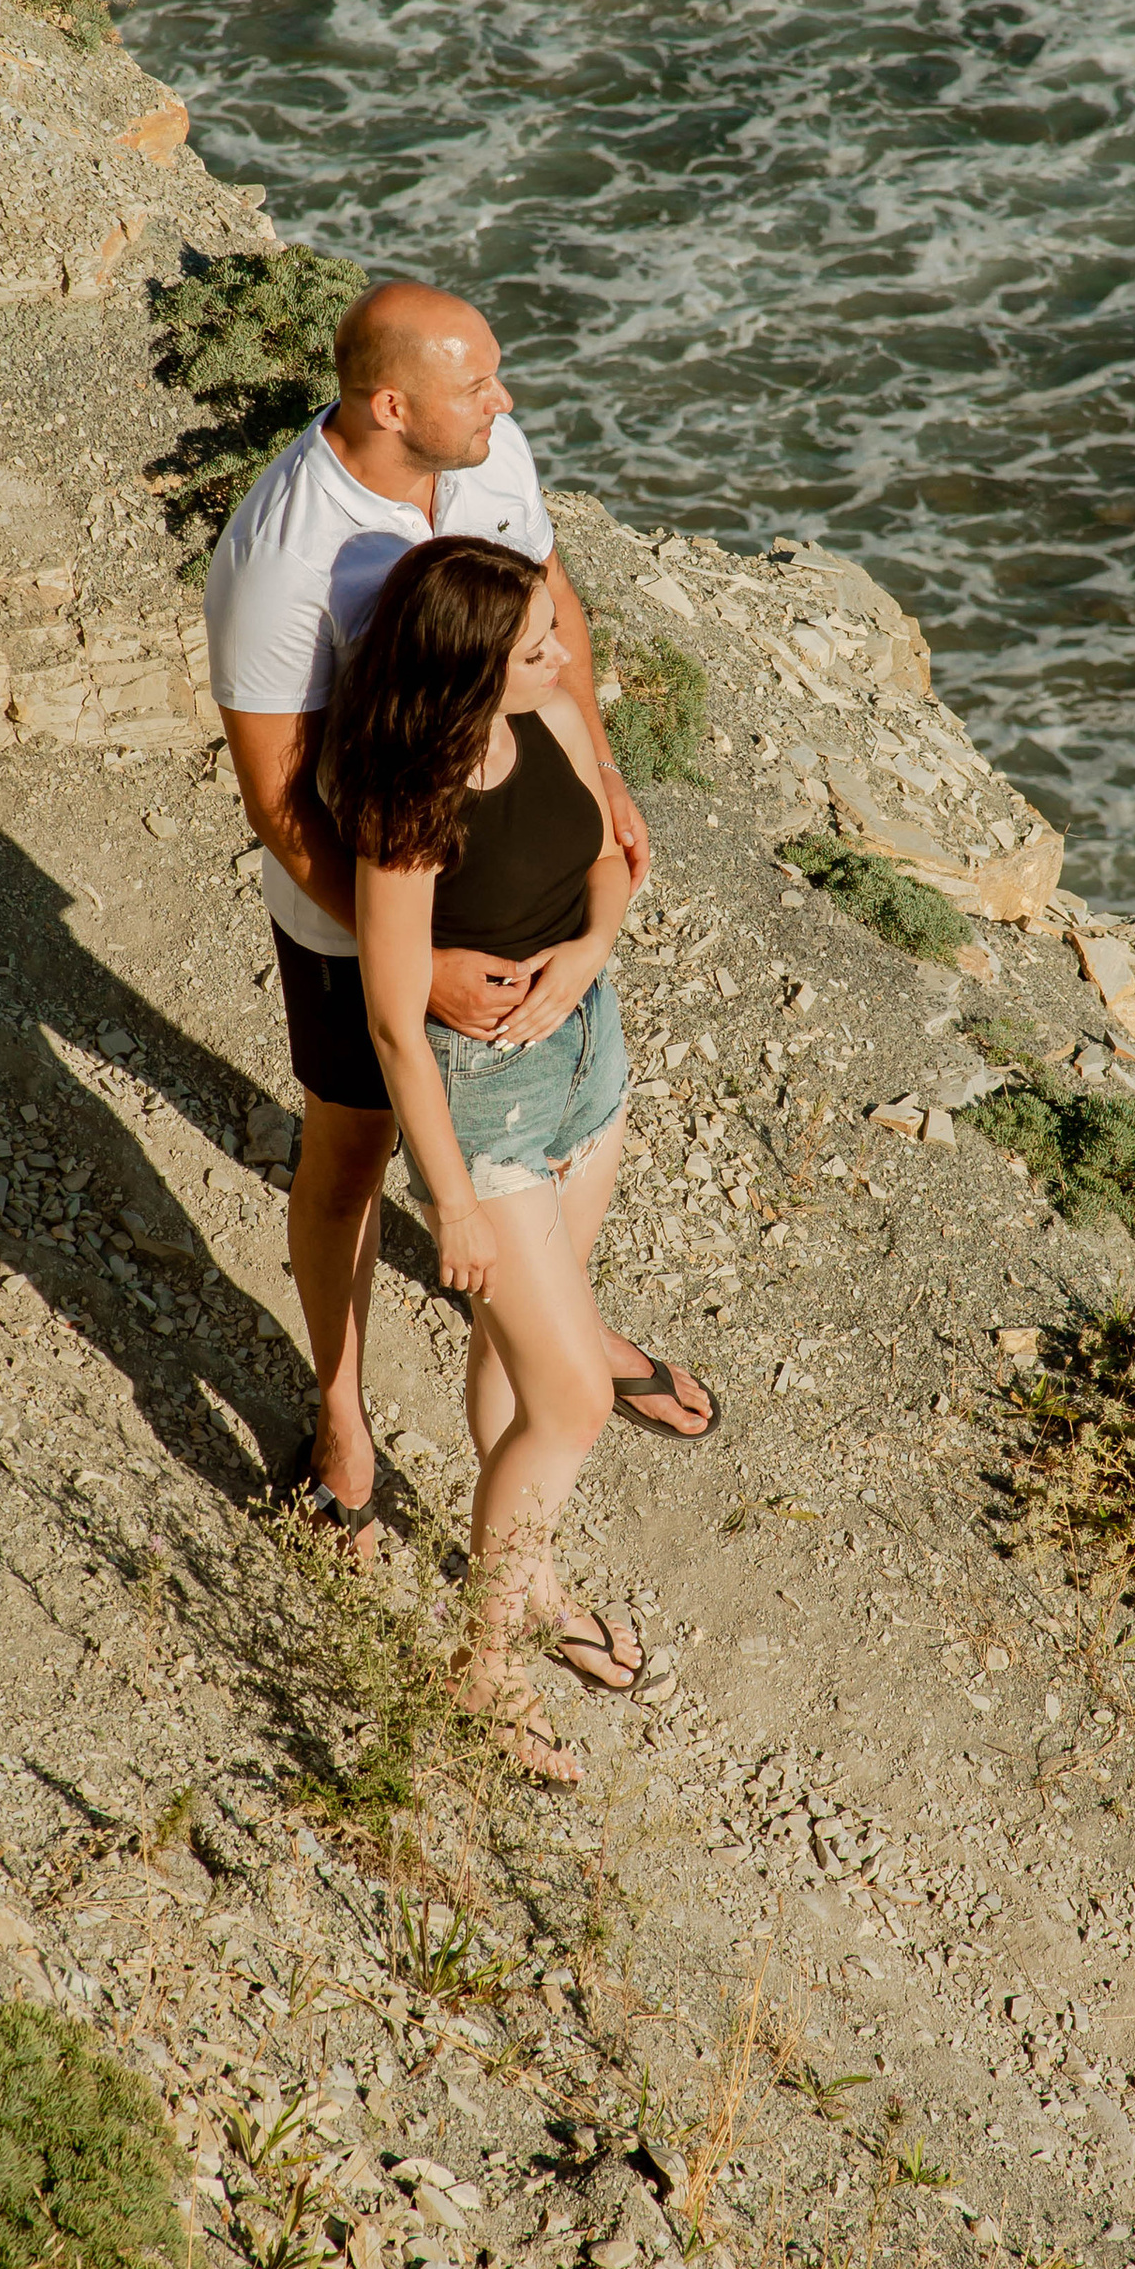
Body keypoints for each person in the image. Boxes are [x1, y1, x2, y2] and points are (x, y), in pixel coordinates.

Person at [205, 278, 715, 1535]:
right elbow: (278, 796)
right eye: (476, 383)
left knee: (533, 1122)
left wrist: (600, 775)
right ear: (393, 405)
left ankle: (558, 1327)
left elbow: (552, 611)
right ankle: (341, 1411)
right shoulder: (285, 556)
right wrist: (411, 959)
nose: (506, 400)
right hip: (359, 912)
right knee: (351, 1155)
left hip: (508, 868)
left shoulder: (483, 448)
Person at [328, 535, 644, 1779]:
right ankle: (484, 1666)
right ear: (470, 669)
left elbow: (612, 860)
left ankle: (528, 1578)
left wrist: (585, 956)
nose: (563, 652)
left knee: (515, 1367)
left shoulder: (556, 704)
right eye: (533, 643)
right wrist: (448, 1198)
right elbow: (396, 1024)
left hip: (585, 1052)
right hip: (486, 1106)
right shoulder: (409, 802)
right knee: (574, 1396)